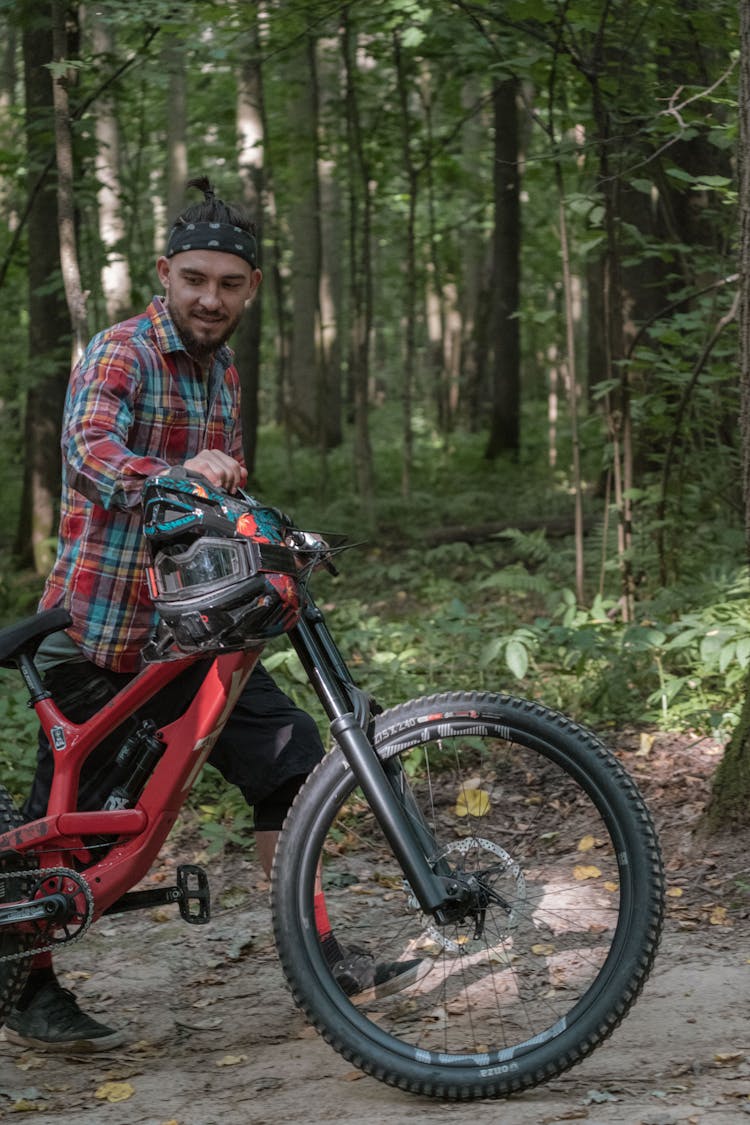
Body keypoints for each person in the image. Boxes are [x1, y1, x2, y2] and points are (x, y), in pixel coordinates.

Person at [3, 177, 421, 1053]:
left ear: (252, 288)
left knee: (292, 766)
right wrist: (176, 471)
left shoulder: (221, 369)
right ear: (165, 272)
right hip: (100, 634)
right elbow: (90, 453)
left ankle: (318, 958)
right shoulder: (122, 351)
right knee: (71, 833)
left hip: (196, 629)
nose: (210, 298)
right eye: (195, 278)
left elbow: (218, 490)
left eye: (230, 284)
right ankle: (25, 984)